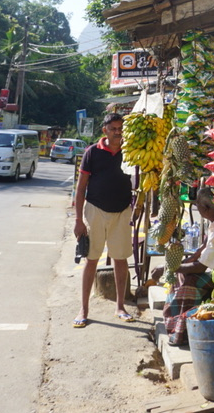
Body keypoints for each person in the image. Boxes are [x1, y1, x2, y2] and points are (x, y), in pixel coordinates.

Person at [153, 186, 214, 345]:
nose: (196, 207)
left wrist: (168, 268)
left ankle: (181, 332)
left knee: (189, 279)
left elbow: (200, 266)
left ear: (206, 208)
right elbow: (202, 250)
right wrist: (177, 264)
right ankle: (175, 320)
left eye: (198, 204)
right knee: (181, 272)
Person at [72, 113, 134, 328]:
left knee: (120, 259)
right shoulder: (92, 153)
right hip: (95, 210)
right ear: (105, 130)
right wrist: (78, 220)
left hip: (122, 211)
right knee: (91, 259)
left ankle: (120, 306)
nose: (118, 132)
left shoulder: (132, 151)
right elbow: (80, 189)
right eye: (113, 128)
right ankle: (84, 309)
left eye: (120, 128)